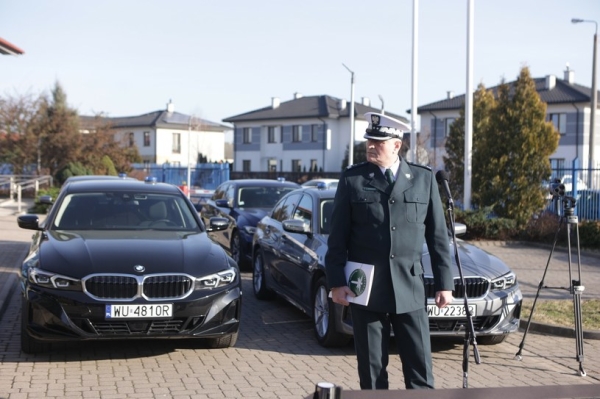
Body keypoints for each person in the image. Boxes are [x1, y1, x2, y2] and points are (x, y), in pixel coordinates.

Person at [325, 112, 455, 390]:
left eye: (378, 142)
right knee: (372, 375)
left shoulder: (423, 179)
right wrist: (336, 282)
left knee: (420, 371)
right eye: (369, 141)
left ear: (397, 144)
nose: (371, 146)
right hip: (367, 290)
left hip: (410, 288)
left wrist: (445, 284)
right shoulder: (353, 180)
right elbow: (337, 238)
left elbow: (438, 237)